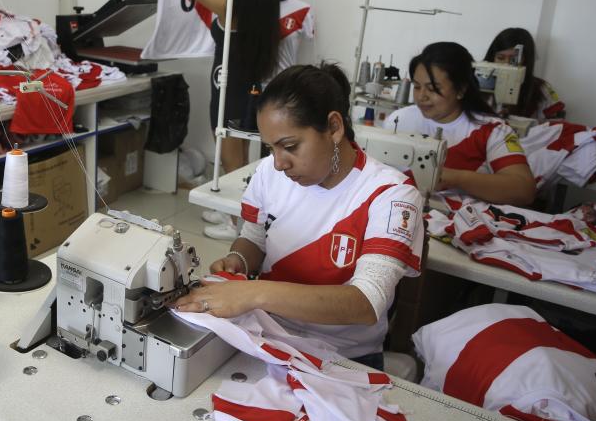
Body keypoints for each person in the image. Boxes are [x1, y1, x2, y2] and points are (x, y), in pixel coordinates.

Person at [175, 64, 424, 370]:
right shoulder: (269, 172)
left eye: (290, 146)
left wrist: (253, 293)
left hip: (344, 357)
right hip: (268, 334)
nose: (279, 163)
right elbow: (255, 237)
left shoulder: (390, 194)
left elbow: (366, 302)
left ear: (334, 127)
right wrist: (239, 259)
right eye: (271, 148)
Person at [157, 0, 281, 241]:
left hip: (229, 88)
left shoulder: (230, 4)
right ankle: (233, 211)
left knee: (232, 159)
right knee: (240, 153)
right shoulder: (265, 2)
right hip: (246, 86)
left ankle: (237, 223)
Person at [385, 42, 537, 206]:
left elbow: (524, 190)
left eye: (433, 88)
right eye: (417, 86)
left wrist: (457, 178)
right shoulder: (398, 120)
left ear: (461, 90)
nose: (422, 96)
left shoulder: (493, 131)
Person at [484, 27, 565, 121]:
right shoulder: (478, 84)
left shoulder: (541, 89)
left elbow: (557, 124)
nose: (506, 64)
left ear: (526, 60)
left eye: (513, 60)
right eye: (500, 58)